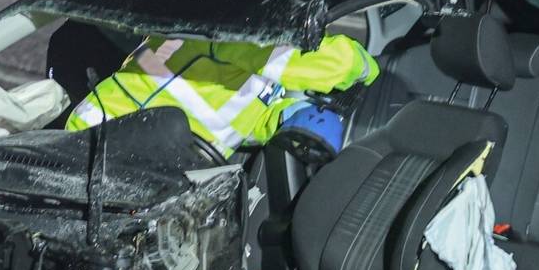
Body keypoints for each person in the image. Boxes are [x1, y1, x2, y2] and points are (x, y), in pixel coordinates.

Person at [66, 33, 378, 159]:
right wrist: (370, 69)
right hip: (101, 142)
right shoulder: (231, 33)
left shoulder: (245, 58)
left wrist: (283, 116)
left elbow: (236, 114)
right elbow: (329, 65)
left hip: (164, 163)